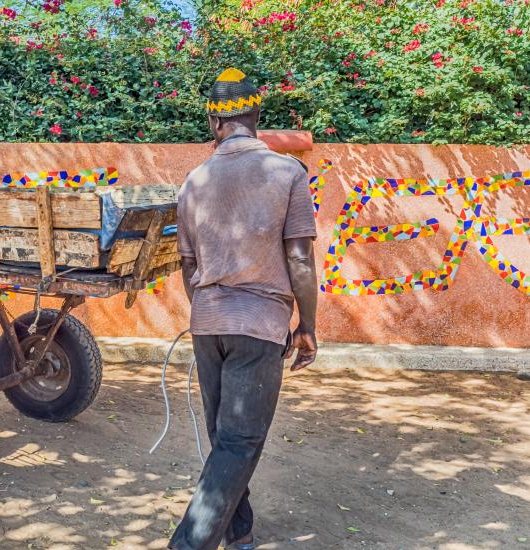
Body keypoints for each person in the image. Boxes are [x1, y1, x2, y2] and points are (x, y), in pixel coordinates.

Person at [168, 68, 319, 550]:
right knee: (239, 441)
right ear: (256, 117)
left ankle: (240, 531)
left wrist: (208, 312)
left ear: (214, 125)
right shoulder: (288, 172)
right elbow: (299, 257)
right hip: (260, 324)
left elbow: (188, 263)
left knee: (225, 438)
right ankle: (188, 544)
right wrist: (307, 326)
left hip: (208, 322)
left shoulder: (194, 181)